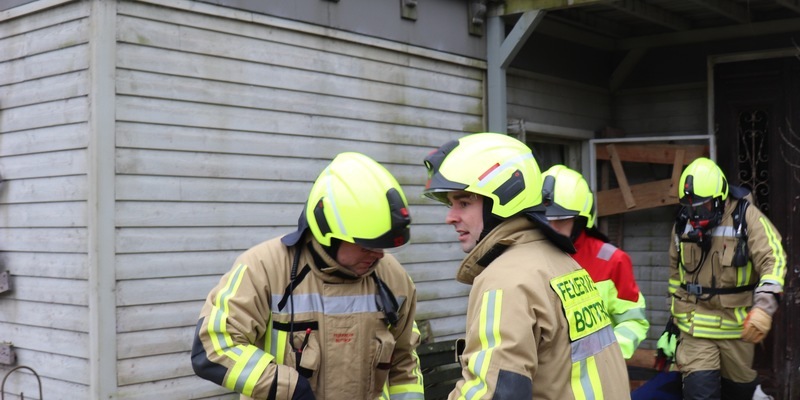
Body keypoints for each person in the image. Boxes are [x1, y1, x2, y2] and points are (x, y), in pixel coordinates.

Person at [191, 152, 425, 400]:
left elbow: (404, 361)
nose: (379, 256)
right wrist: (289, 389)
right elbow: (214, 348)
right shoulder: (264, 269)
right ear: (328, 233)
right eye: (367, 246)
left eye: (384, 245)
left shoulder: (393, 278)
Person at [422, 132, 631, 400]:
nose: (450, 217)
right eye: (451, 204)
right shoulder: (561, 263)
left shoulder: (506, 280)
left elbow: (494, 393)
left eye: (464, 202)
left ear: (504, 199)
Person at [660, 157, 786, 400]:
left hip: (736, 329)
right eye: (690, 208)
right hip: (695, 328)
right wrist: (673, 321)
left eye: (702, 208)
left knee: (740, 393)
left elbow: (774, 259)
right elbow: (676, 275)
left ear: (720, 198)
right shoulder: (682, 224)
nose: (695, 217)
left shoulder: (747, 218)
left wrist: (764, 306)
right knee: (700, 393)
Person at [540, 164, 649, 360]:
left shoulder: (613, 261)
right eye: (545, 220)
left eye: (561, 219)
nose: (552, 227)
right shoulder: (529, 257)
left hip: (598, 377)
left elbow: (633, 321)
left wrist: (606, 357)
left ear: (581, 220)